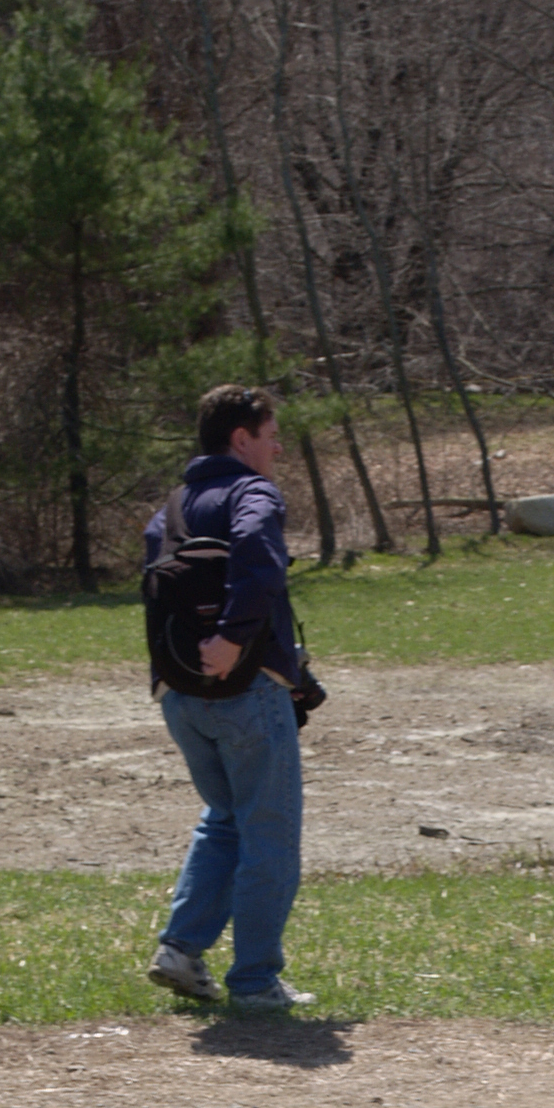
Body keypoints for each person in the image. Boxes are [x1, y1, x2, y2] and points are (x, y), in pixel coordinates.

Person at [142, 383, 315, 1015]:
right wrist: (234, 638)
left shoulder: (172, 507)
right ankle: (255, 981)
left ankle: (181, 951)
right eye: (271, 436)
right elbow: (260, 562)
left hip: (179, 694)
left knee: (225, 819)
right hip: (247, 690)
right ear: (241, 438)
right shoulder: (253, 493)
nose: (277, 448)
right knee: (270, 833)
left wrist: (197, 656)